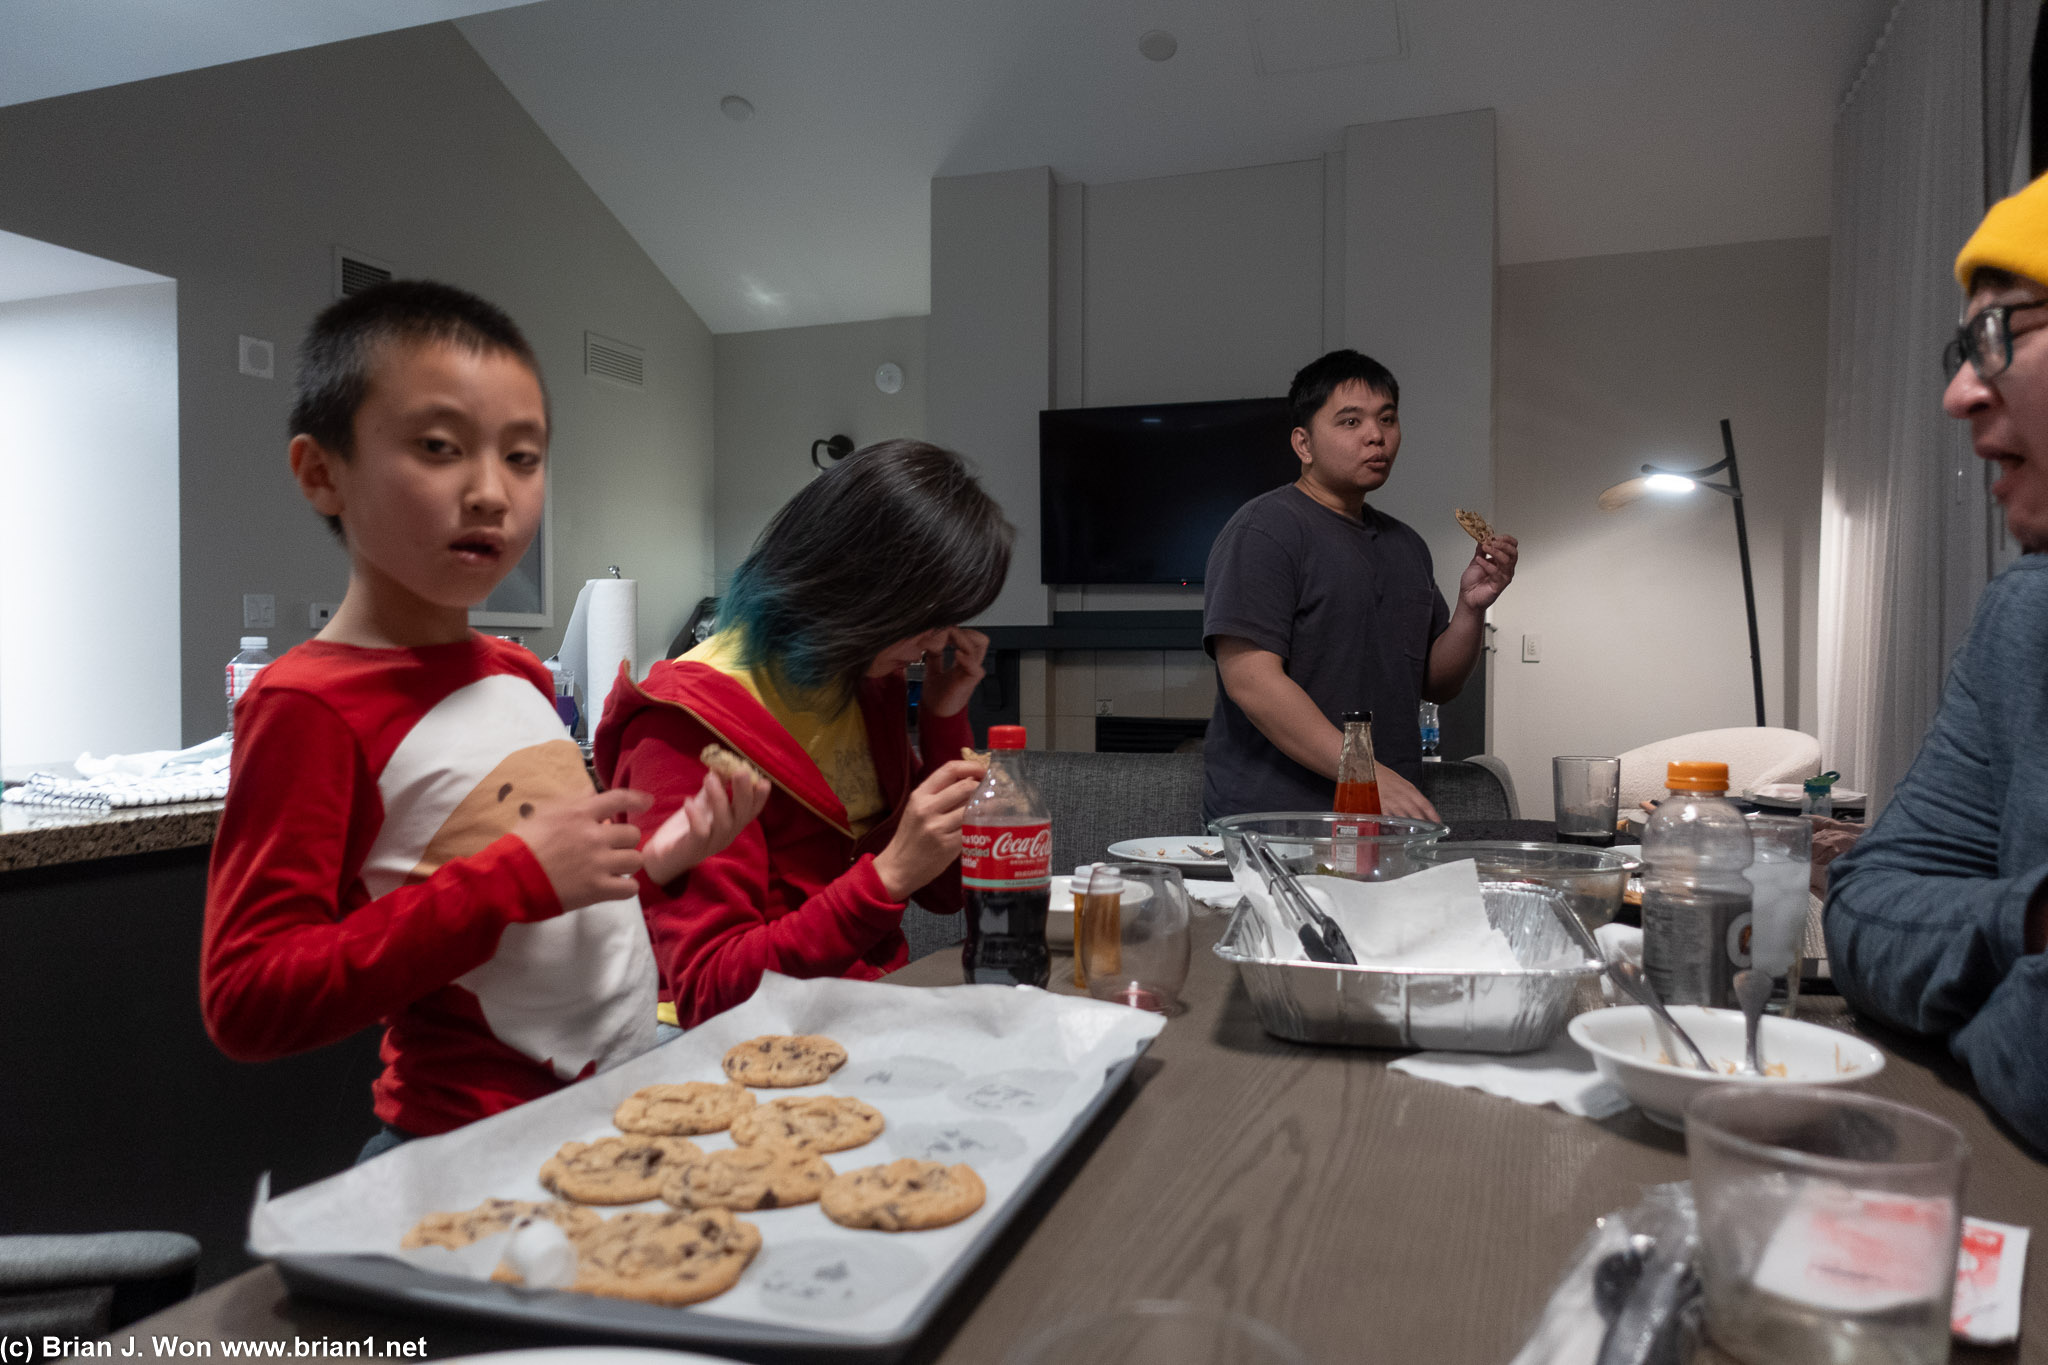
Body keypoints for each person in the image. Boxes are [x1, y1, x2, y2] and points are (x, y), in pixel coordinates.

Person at [201, 281, 761, 1160]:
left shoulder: (517, 671)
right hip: (466, 1144)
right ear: (322, 473)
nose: (492, 492)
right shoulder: (306, 705)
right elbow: (249, 997)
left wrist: (658, 858)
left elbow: (539, 918)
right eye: (438, 447)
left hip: (613, 1111)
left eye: (525, 457)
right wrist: (512, 879)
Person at [594, 439, 1012, 1031]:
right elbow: (711, 990)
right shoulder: (685, 725)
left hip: (860, 1010)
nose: (941, 642)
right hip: (727, 1040)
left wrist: (945, 721)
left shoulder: (863, 680)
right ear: (860, 590)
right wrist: (886, 876)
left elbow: (945, 892)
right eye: (929, 619)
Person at [1825, 174, 2048, 1154]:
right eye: (1963, 349)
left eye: (1999, 335)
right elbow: (1867, 903)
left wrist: (1976, 1000)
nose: (1958, 392)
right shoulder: (2023, 616)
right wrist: (2027, 925)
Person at [1201, 349, 1519, 823]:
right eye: (1350, 422)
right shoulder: (1265, 529)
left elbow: (1436, 682)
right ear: (1303, 444)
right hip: (1276, 825)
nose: (1376, 435)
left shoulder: (1406, 545)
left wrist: (1470, 608)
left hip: (1384, 821)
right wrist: (1365, 773)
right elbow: (1253, 681)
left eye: (1387, 419)